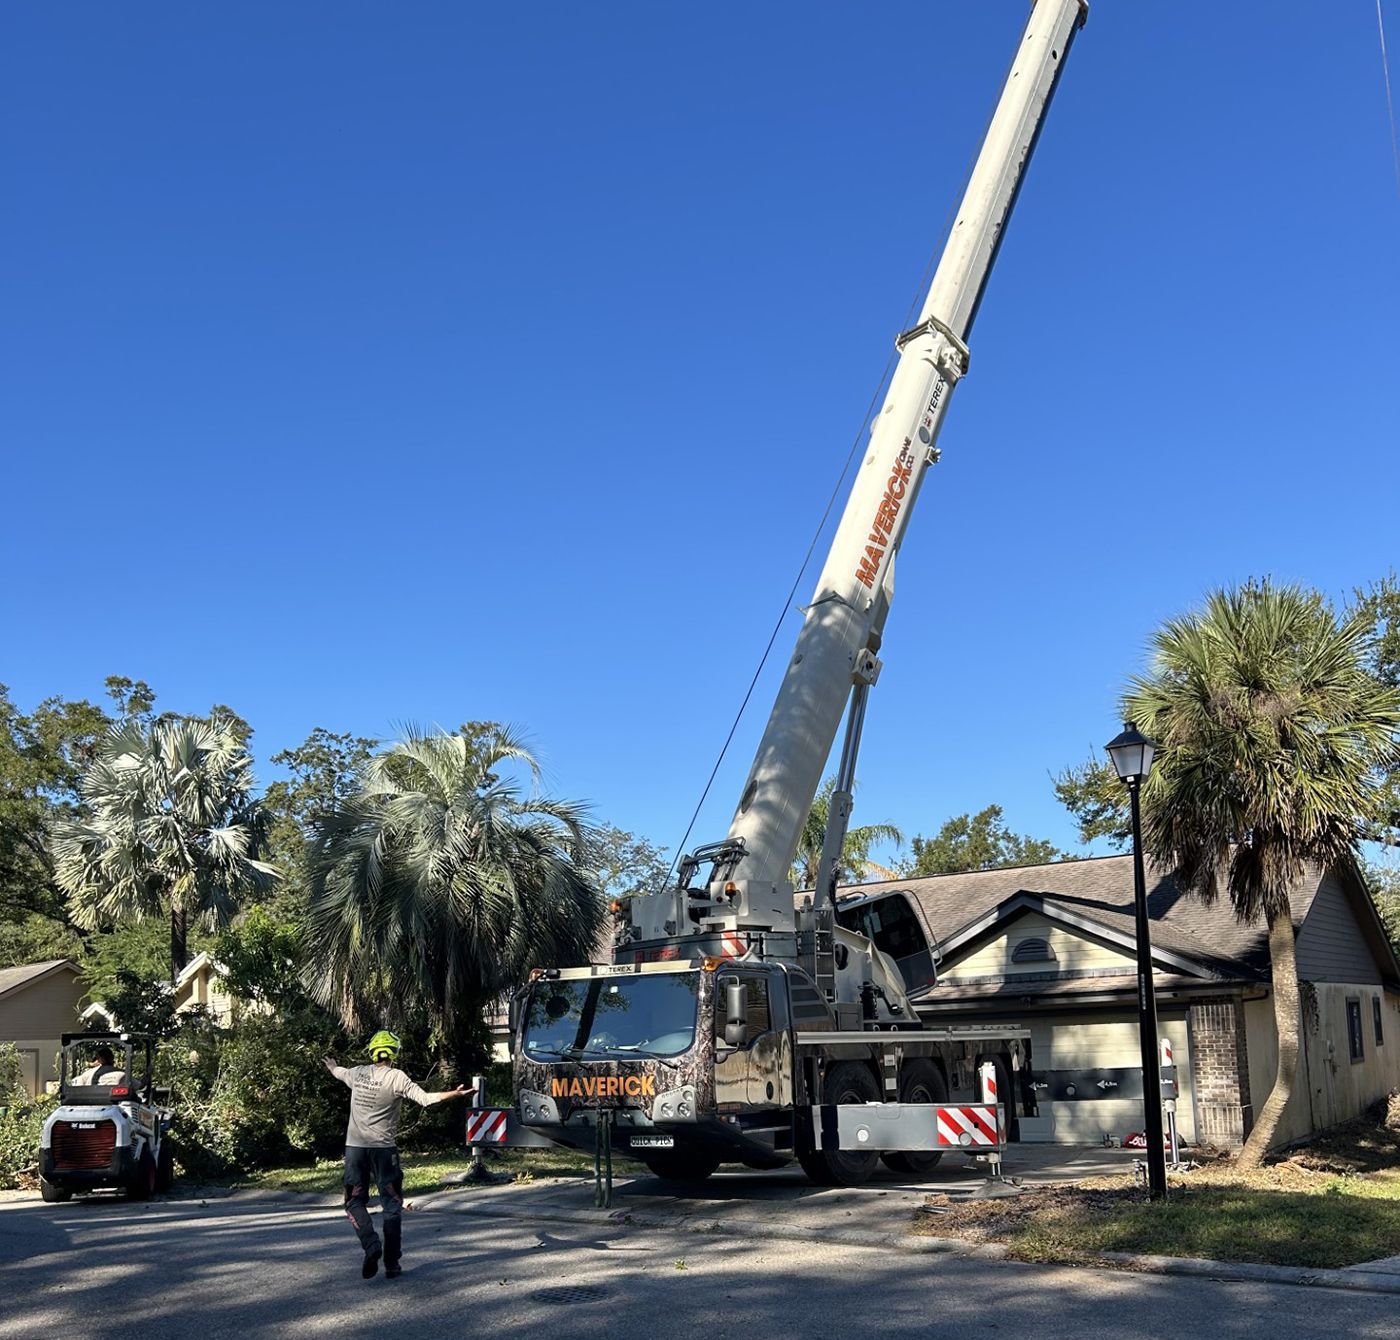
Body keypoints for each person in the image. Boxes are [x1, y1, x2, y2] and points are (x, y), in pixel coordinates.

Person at [323, 1030, 474, 1280]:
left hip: (355, 1150)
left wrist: (332, 1065)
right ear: (394, 1053)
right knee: (391, 1204)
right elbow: (426, 1099)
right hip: (384, 1152)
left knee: (354, 1202)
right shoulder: (397, 1077)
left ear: (372, 1052)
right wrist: (455, 1094)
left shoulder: (357, 1073)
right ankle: (392, 1264)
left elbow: (338, 1072)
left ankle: (371, 1245)